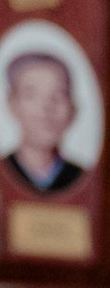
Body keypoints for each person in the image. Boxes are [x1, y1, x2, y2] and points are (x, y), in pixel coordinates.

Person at [2, 51, 81, 195]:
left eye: (58, 94)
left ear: (73, 109)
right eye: (31, 95)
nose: (47, 107)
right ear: (12, 104)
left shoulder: (81, 179)